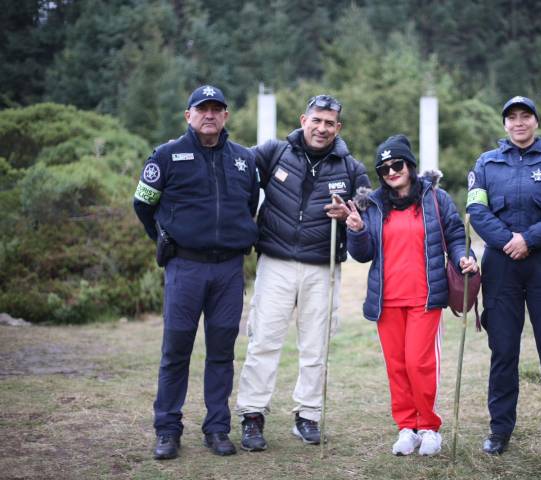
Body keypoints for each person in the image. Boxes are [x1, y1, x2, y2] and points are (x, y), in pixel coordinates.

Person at [235, 94, 370, 451]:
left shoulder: (352, 168)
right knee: (263, 340)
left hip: (322, 267)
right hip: (276, 261)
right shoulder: (273, 152)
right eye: (316, 121)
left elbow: (367, 213)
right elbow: (237, 170)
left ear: (338, 127)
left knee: (316, 346)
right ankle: (252, 415)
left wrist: (350, 215)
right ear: (303, 120)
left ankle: (307, 415)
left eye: (329, 123)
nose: (322, 128)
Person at [133, 85, 259, 460]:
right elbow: (143, 203)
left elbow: (251, 203)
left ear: (226, 116)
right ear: (188, 115)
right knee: (176, 351)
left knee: (221, 352)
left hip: (229, 270)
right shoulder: (166, 156)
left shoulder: (243, 159)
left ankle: (217, 429)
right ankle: (167, 430)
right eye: (202, 109)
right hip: (184, 267)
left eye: (216, 109)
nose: (210, 115)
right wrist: (162, 237)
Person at [466, 96, 541, 459]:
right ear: (505, 124)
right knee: (503, 351)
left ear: (536, 121)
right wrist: (509, 241)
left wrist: (529, 240)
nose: (519, 123)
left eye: (525, 116)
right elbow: (476, 209)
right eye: (512, 117)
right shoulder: (486, 164)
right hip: (500, 264)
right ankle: (499, 430)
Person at [346, 134, 478, 456]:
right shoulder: (373, 204)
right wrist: (357, 230)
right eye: (384, 168)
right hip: (387, 300)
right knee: (397, 366)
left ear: (410, 164)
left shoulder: (435, 198)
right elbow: (363, 254)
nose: (391, 172)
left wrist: (464, 256)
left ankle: (429, 428)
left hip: (425, 297)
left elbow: (455, 235)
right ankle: (407, 427)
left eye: (397, 165)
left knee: (419, 364)